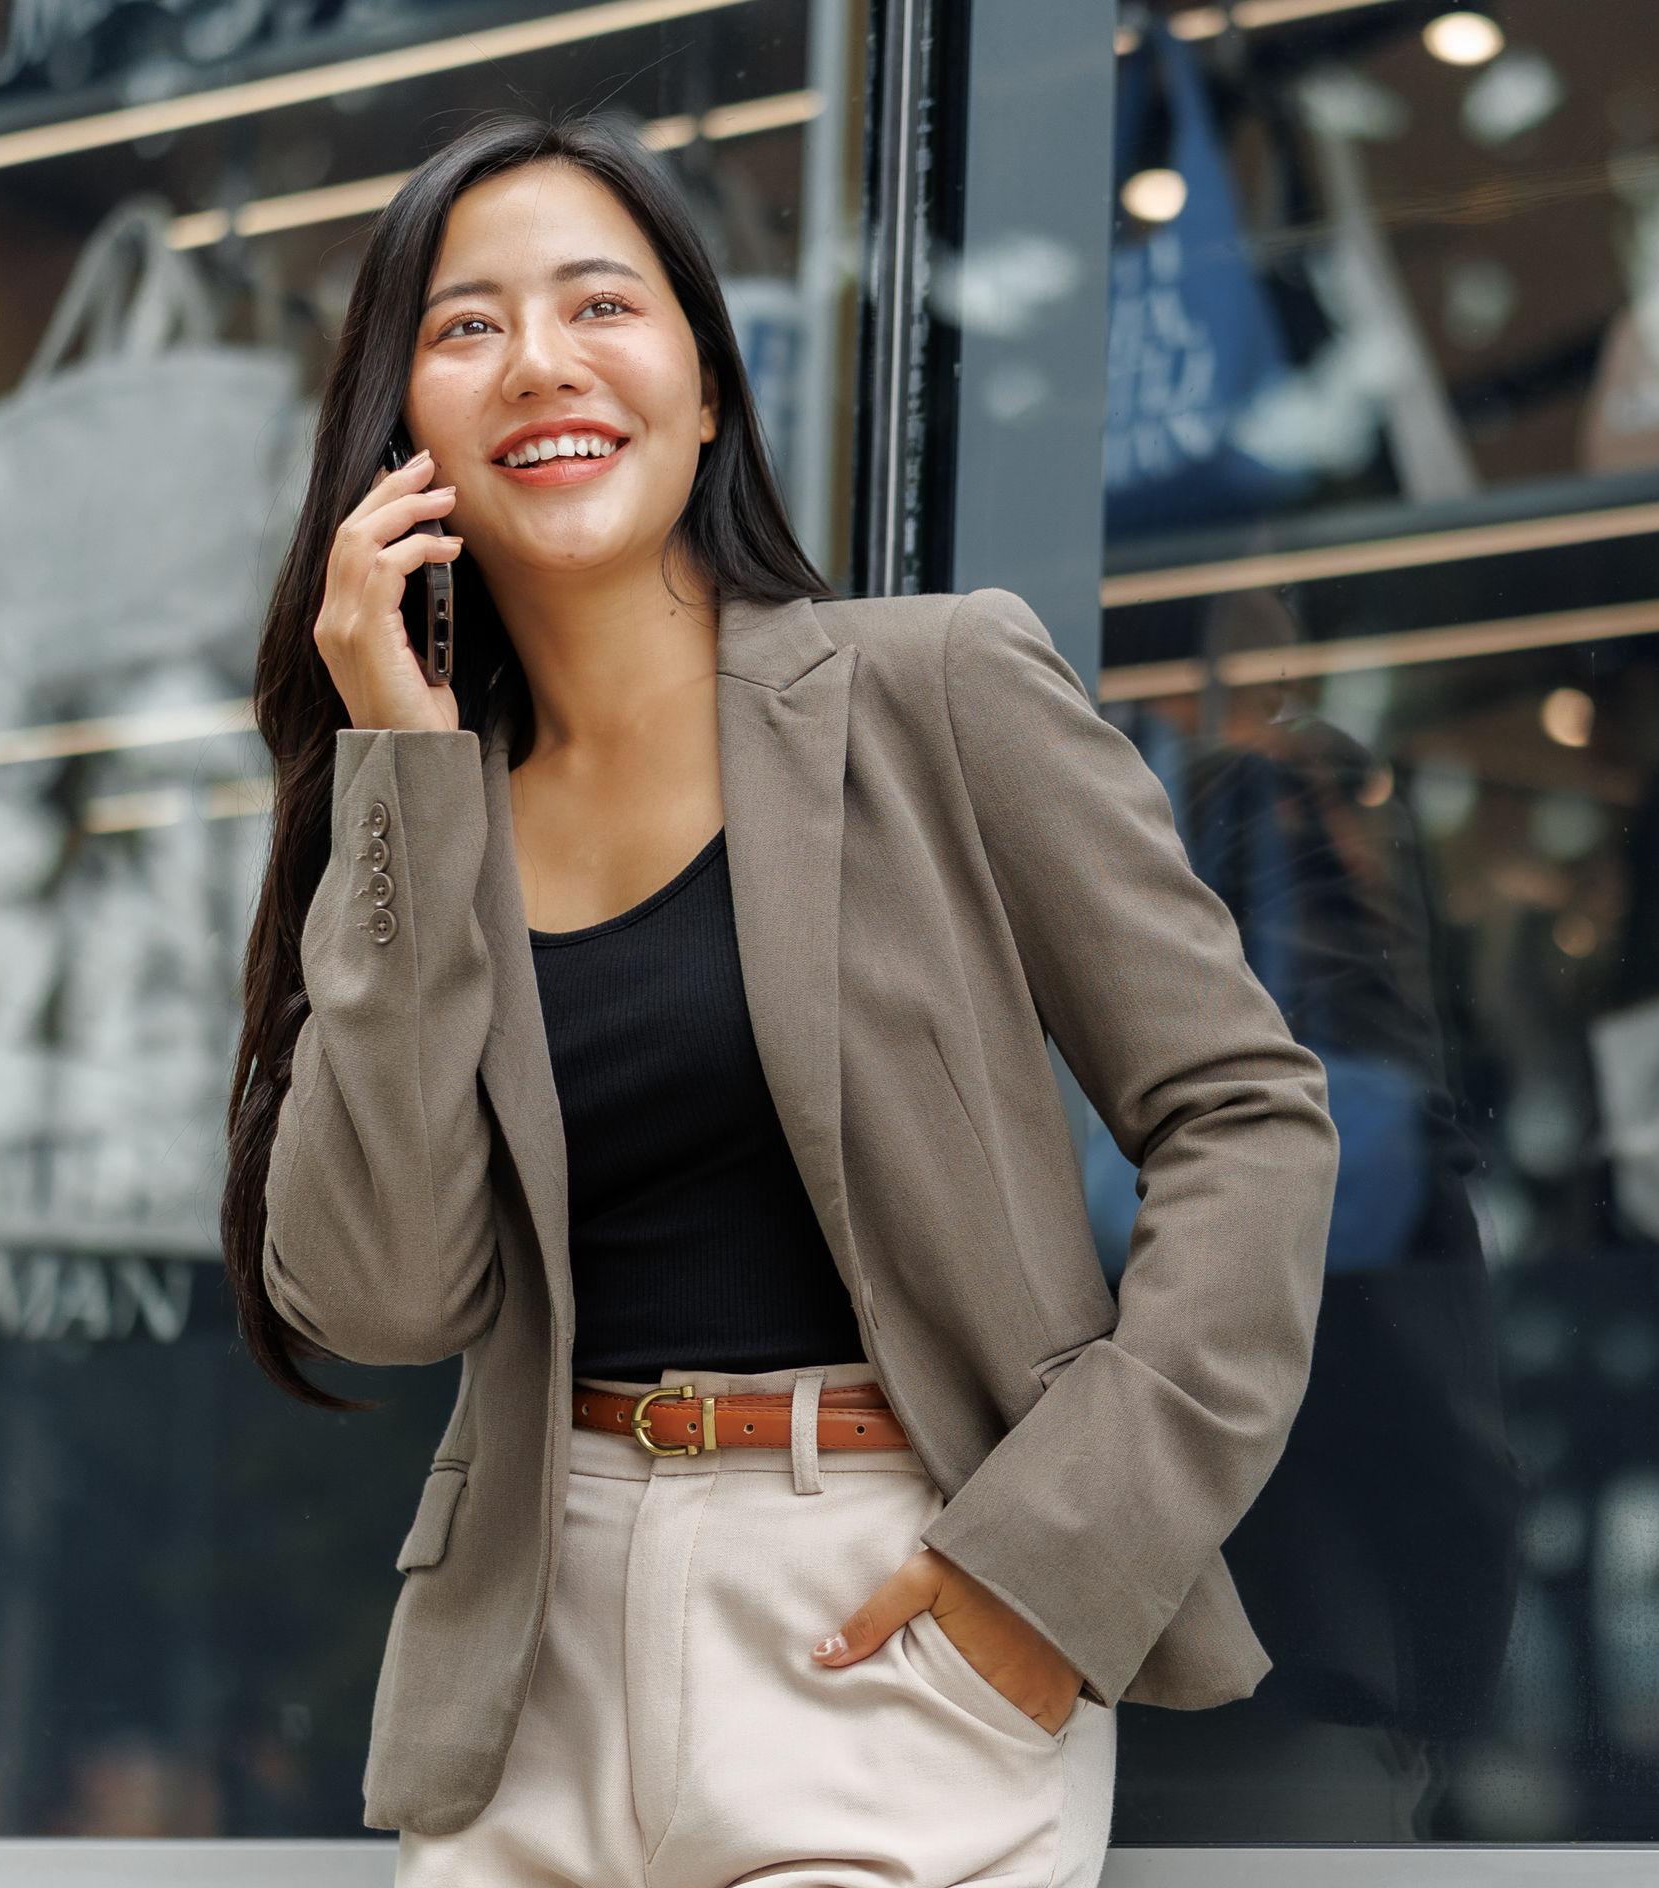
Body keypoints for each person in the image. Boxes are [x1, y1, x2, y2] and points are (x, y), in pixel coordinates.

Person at [216, 111, 1339, 1886]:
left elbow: (1248, 1119)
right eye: (467, 326)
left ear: (710, 385)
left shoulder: (936, 690)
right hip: (534, 1653)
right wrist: (398, 776)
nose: (542, 364)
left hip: (892, 1604)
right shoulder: (412, 813)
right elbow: (382, 1295)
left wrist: (1056, 1555)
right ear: (399, 435)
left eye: (603, 303)